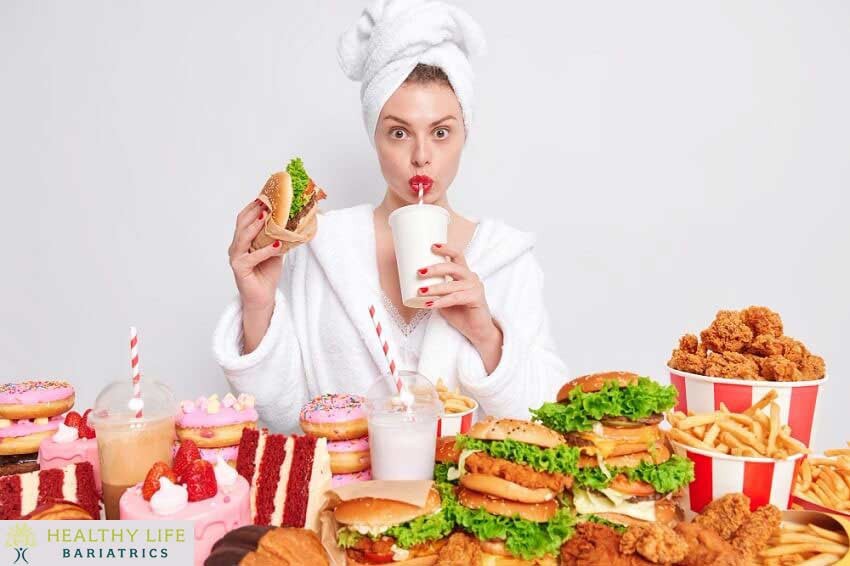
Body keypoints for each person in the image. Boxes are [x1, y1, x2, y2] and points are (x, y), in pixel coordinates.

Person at [213, 0, 567, 432]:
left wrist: (486, 334)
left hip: (468, 498)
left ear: (464, 134)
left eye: (441, 132)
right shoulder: (322, 250)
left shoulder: (506, 260)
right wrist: (258, 305)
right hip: (350, 496)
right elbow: (283, 417)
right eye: (399, 133)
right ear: (374, 137)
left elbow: (550, 418)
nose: (421, 156)